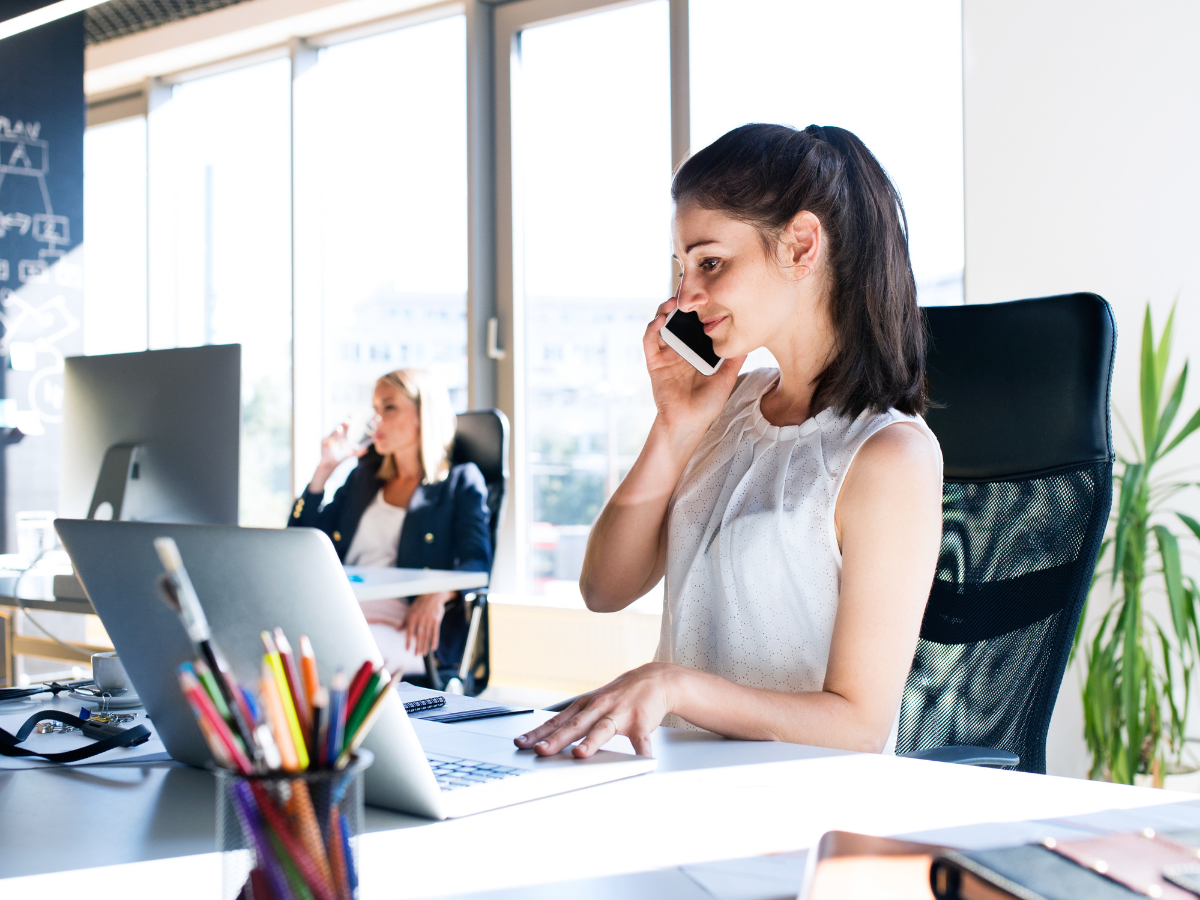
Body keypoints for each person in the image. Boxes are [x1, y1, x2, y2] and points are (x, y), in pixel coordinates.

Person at [516, 124, 944, 759]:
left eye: (710, 262)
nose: (686, 296)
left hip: (787, 811)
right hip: (674, 779)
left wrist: (677, 687)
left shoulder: (888, 456)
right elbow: (604, 589)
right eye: (683, 269)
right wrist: (675, 426)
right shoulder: (731, 404)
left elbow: (859, 727)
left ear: (800, 246)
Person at [289, 368, 491, 676]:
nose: (375, 421)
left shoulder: (460, 482)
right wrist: (324, 471)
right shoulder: (364, 478)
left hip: (406, 627)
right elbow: (299, 544)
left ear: (423, 415)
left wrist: (439, 592)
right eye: (375, 410)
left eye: (389, 407)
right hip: (338, 610)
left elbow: (477, 563)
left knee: (331, 655)